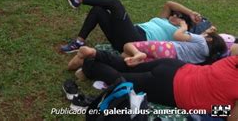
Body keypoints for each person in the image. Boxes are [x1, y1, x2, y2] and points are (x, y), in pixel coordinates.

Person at [79, 50, 238, 118]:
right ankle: (90, 66)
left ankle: (96, 54)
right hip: (170, 88)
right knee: (121, 79)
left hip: (177, 66)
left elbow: (234, 47)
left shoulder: (234, 60)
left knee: (127, 66)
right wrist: (221, 109)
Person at [61, 0, 204, 53]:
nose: (173, 15)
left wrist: (186, 24)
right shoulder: (164, 20)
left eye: (177, 16)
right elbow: (169, 4)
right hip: (123, 39)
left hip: (137, 41)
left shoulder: (179, 34)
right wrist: (190, 12)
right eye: (173, 14)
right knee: (98, 10)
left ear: (183, 22)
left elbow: (198, 41)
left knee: (116, 4)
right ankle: (78, 42)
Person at [122, 22, 226, 66]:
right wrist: (207, 31)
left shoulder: (201, 40)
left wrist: (183, 27)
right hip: (169, 60)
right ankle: (135, 57)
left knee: (128, 46)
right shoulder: (204, 58)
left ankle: (137, 53)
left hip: (167, 48)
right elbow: (198, 40)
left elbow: (177, 36)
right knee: (127, 57)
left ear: (210, 40)